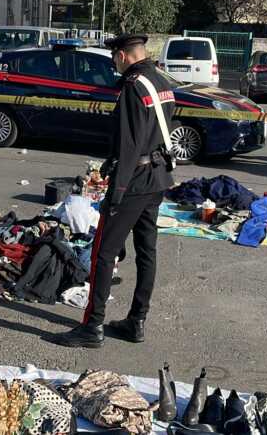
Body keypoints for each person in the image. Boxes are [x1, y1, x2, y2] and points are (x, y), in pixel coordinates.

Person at [48, 34, 176, 349]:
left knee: (102, 254)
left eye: (113, 59)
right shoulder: (161, 81)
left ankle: (92, 326)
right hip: (157, 177)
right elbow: (154, 131)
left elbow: (131, 143)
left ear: (122, 56)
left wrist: (116, 192)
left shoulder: (133, 87)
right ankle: (137, 320)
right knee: (147, 252)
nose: (114, 65)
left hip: (134, 181)